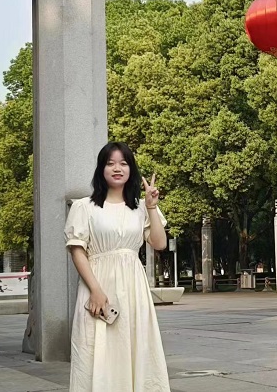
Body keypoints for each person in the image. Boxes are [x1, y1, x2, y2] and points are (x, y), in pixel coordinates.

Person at [64, 142, 171, 392]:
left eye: (123, 163)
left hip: (133, 288)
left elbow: (159, 243)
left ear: (131, 169)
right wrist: (96, 291)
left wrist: (151, 206)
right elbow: (77, 251)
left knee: (134, 346)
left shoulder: (141, 207)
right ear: (101, 169)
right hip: (98, 284)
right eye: (110, 163)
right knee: (96, 349)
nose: (117, 168)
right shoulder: (84, 207)